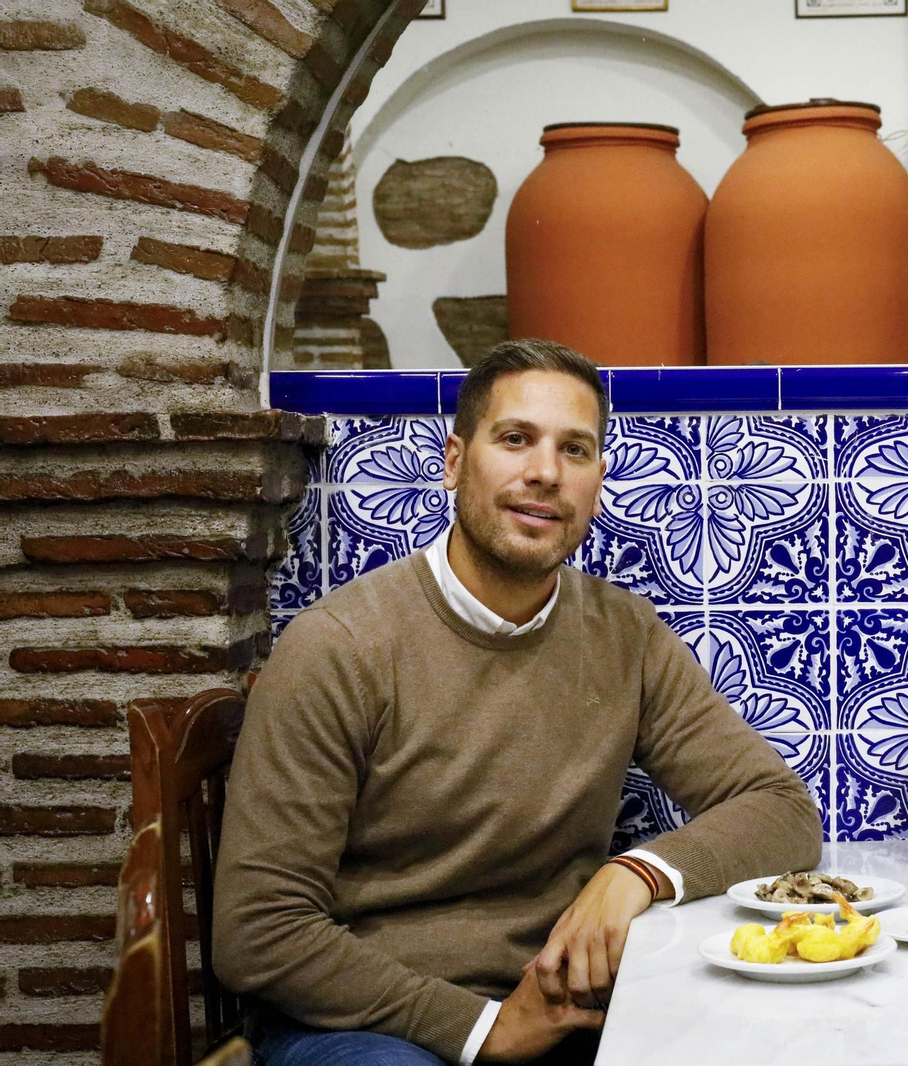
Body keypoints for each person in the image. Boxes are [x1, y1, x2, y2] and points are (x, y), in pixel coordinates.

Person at [214, 340, 823, 1066]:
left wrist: (636, 874)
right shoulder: (337, 648)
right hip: (370, 1022)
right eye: (515, 439)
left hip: (565, 1004)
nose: (544, 472)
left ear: (597, 480)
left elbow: (781, 809)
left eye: (575, 450)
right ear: (453, 461)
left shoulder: (624, 635)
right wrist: (482, 1028)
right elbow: (259, 931)